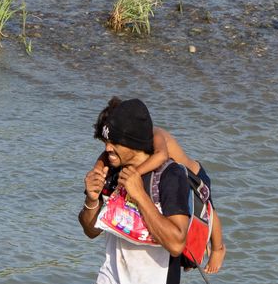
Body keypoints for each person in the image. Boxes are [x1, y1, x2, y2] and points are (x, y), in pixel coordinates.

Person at [69, 98, 192, 284]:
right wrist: (91, 200)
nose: (108, 149)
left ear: (133, 143)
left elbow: (177, 242)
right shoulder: (112, 172)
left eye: (114, 143)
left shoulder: (171, 176)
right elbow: (91, 230)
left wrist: (139, 195)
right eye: (106, 142)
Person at [89, 97, 226, 274]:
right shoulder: (123, 142)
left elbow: (161, 156)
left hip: (193, 175)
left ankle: (218, 248)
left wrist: (135, 174)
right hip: (175, 177)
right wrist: (98, 169)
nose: (108, 147)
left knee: (208, 211)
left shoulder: (155, 134)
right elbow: (104, 154)